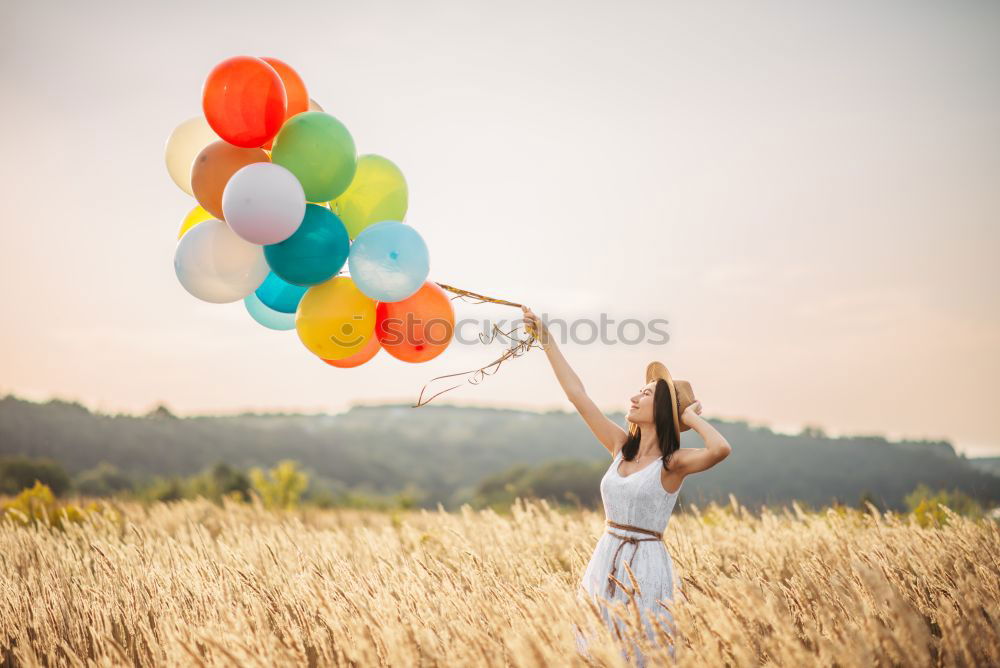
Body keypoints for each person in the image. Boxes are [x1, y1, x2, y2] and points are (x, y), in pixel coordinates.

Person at [520, 305, 732, 665]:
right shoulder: (621, 447)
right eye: (638, 391)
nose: (634, 398)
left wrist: (690, 417)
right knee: (595, 648)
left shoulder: (672, 464)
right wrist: (547, 340)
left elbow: (720, 449)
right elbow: (577, 396)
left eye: (646, 394)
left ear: (664, 410)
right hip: (606, 556)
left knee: (638, 649)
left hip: (646, 564)